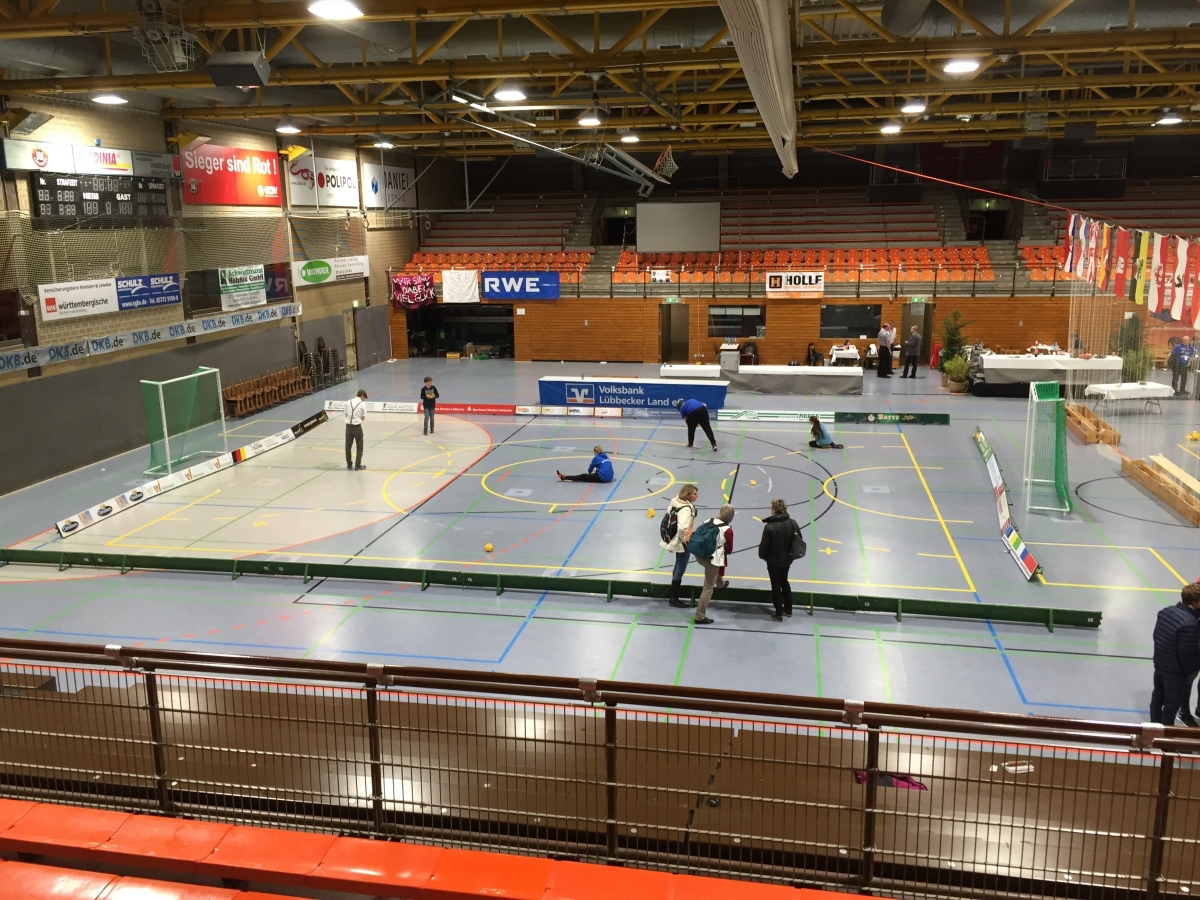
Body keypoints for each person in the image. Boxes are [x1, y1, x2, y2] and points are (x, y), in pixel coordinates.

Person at [1150, 582, 1200, 727]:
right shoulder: (1190, 624)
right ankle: (1166, 734)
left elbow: (1157, 637)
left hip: (1160, 665)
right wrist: (1190, 671)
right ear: (1195, 602)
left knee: (1157, 699)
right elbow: (1186, 654)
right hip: (1175, 673)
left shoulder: (1166, 611)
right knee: (1171, 706)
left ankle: (1153, 728)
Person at [758, 498, 805, 621]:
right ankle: (788, 609)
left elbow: (764, 547)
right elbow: (799, 539)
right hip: (787, 559)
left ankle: (778, 612)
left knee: (775, 585)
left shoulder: (769, 527)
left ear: (774, 510)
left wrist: (763, 556)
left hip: (773, 561)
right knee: (784, 581)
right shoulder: (793, 523)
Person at [690, 504, 735, 625]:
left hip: (700, 555)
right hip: (712, 560)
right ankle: (699, 616)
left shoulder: (708, 521)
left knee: (713, 574)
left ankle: (721, 584)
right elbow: (729, 550)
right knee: (708, 589)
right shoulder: (728, 530)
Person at [660, 483, 698, 609]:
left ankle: (672, 594)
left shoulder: (676, 501)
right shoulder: (686, 509)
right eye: (694, 494)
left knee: (677, 566)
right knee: (680, 569)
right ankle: (674, 598)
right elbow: (682, 527)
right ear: (687, 495)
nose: (696, 496)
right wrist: (683, 540)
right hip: (683, 542)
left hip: (674, 539)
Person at [344, 389, 368, 470]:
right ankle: (357, 464)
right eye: (364, 397)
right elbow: (363, 417)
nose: (364, 399)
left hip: (348, 427)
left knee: (348, 446)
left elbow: (345, 414)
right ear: (362, 395)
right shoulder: (362, 404)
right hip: (357, 427)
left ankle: (349, 464)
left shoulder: (348, 402)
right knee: (359, 446)